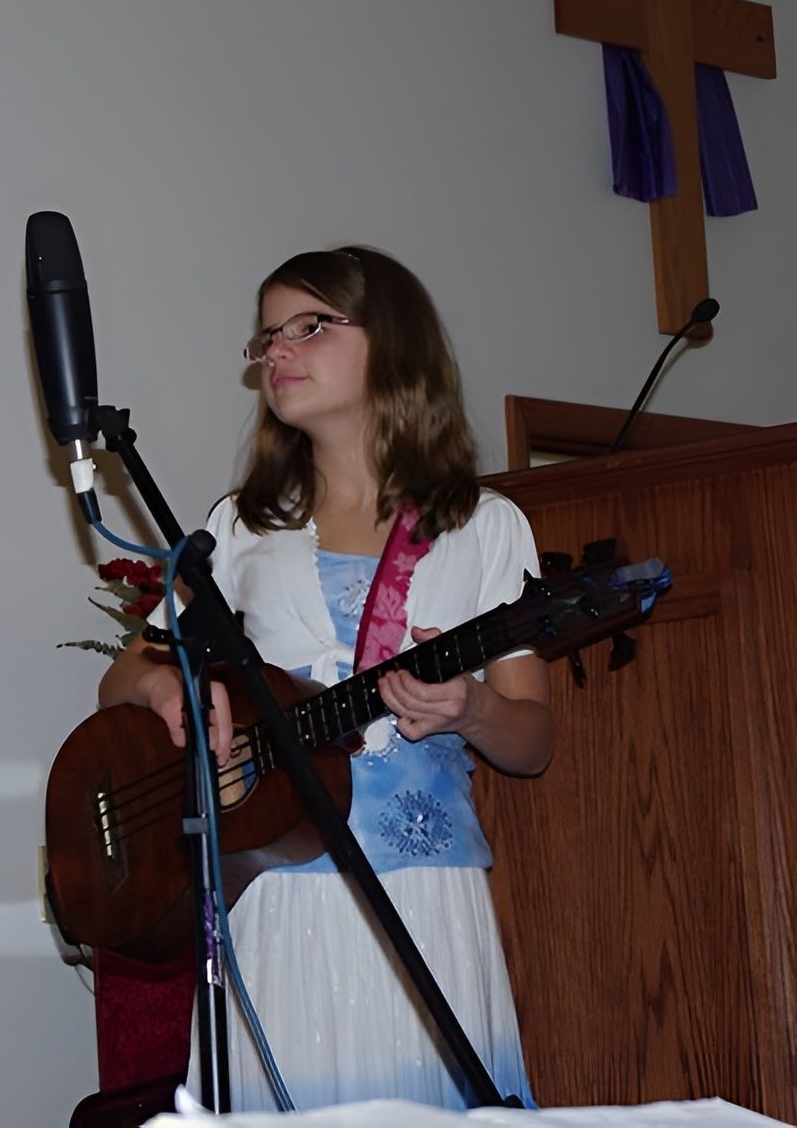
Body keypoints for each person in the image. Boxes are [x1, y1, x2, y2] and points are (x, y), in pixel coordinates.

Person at [99, 247, 552, 1111]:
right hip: (277, 897)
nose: (278, 352)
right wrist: (170, 693)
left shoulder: (485, 526)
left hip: (426, 900)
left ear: (395, 342)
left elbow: (534, 741)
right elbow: (126, 677)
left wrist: (476, 708)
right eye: (266, 337)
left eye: (308, 326)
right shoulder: (241, 527)